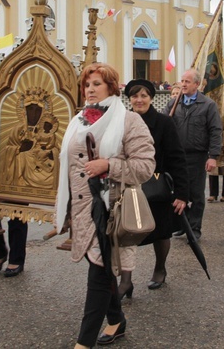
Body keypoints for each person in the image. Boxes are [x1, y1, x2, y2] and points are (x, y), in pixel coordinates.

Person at [54, 63, 155, 349]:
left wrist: (109, 165)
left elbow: (146, 166)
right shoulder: (79, 120)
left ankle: (83, 343)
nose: (89, 89)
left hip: (111, 211)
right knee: (101, 265)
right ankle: (116, 320)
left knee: (99, 273)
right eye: (87, 84)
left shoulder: (128, 120)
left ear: (112, 87)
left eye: (96, 84)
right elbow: (69, 165)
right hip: (83, 210)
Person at [124, 79, 189, 292]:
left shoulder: (164, 123)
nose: (139, 100)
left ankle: (160, 268)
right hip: (130, 185)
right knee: (125, 231)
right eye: (135, 96)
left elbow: (177, 158)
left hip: (157, 186)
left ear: (151, 98)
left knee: (161, 232)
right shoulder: (122, 121)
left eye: (143, 95)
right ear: (129, 99)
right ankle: (126, 280)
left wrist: (181, 193)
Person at [162, 69, 223, 240]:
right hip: (176, 156)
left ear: (197, 84)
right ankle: (183, 223)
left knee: (196, 193)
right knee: (177, 191)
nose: (183, 84)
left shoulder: (207, 105)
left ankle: (195, 228)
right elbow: (164, 125)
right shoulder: (173, 104)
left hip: (197, 155)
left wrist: (213, 156)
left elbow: (215, 130)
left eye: (187, 81)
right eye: (182, 81)